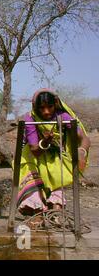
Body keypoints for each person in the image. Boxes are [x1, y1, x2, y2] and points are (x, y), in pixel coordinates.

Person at [18, 88, 90, 225]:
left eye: (49, 107)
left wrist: (82, 152)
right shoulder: (30, 118)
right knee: (35, 184)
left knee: (57, 177)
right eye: (42, 108)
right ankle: (37, 213)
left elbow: (84, 139)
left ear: (55, 103)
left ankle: (56, 212)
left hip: (53, 156)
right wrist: (45, 142)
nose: (46, 112)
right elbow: (35, 150)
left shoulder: (62, 116)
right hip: (32, 157)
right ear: (35, 107)